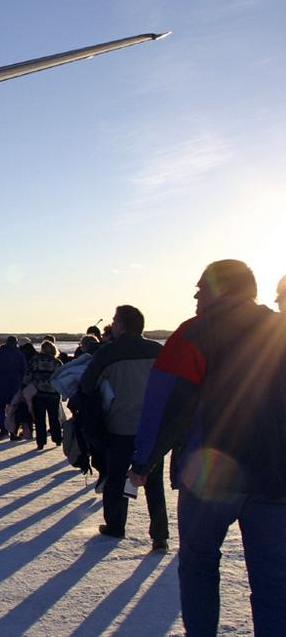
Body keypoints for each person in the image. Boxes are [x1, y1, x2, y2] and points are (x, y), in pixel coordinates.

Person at [130, 260, 286, 636]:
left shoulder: (193, 334)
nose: (196, 294)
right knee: (273, 581)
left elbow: (162, 404)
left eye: (202, 287)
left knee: (199, 565)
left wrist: (142, 460)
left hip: (209, 477)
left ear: (222, 289)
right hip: (275, 476)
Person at [80, 305, 166, 549]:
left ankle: (116, 525)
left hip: (120, 426)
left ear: (122, 325)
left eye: (115, 320)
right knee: (154, 481)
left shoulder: (108, 353)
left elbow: (87, 385)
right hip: (152, 428)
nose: (113, 323)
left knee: (116, 478)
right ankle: (160, 535)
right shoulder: (157, 350)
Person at [25, 340, 63, 450]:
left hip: (39, 393)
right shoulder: (57, 362)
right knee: (54, 418)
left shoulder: (35, 360)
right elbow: (61, 377)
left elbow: (28, 374)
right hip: (53, 394)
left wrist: (24, 385)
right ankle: (57, 439)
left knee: (39, 419)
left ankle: (40, 442)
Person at [0, 336, 27, 440]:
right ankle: (14, 432)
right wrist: (23, 385)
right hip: (15, 386)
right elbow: (24, 371)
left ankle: (3, 430)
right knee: (13, 409)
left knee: (0, 409)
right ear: (16, 343)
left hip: (0, 385)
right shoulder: (19, 354)